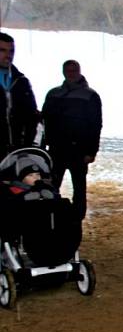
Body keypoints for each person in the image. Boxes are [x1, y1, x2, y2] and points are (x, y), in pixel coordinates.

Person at [42, 59, 102, 220]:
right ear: (63, 72)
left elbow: (95, 125)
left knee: (79, 188)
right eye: (68, 71)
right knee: (52, 185)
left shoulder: (90, 96)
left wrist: (91, 150)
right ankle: (51, 217)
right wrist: (44, 144)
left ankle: (77, 220)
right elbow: (44, 120)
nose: (71, 74)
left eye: (74, 70)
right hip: (57, 149)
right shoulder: (54, 94)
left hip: (79, 150)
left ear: (79, 71)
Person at [0, 31, 39, 159]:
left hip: (17, 151)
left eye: (11, 51)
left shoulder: (21, 81)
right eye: (3, 50)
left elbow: (32, 116)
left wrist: (27, 145)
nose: (8, 55)